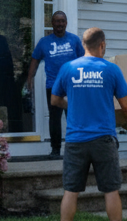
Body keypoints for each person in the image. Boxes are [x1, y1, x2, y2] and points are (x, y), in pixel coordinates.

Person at [51, 27, 127, 221]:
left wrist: (71, 104)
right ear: (103, 45)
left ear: (83, 45)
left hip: (75, 141)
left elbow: (55, 99)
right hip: (103, 140)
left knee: (71, 190)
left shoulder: (68, 68)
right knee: (110, 189)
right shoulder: (111, 70)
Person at [26, 11, 85, 159]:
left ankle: (76, 148)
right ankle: (55, 150)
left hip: (73, 85)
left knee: (74, 116)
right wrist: (29, 78)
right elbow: (35, 60)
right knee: (54, 118)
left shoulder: (74, 40)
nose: (60, 24)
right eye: (57, 21)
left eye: (62, 21)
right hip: (54, 86)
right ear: (52, 23)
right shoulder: (44, 42)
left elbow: (84, 60)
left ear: (66, 23)